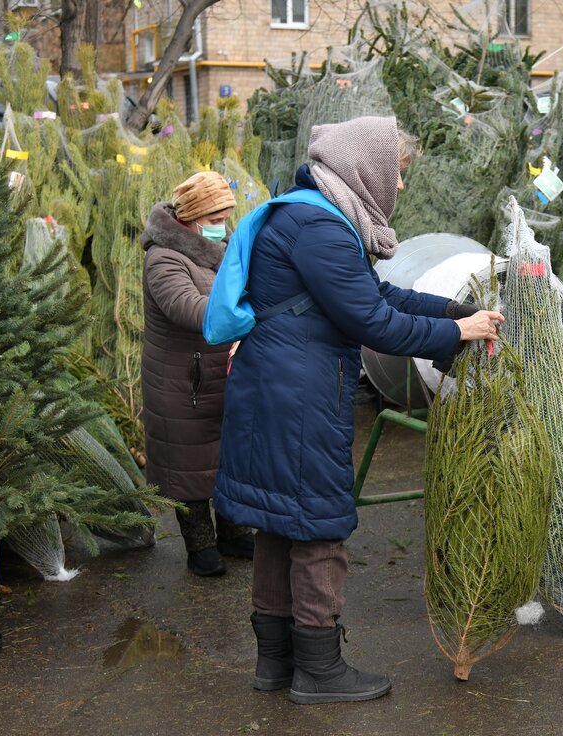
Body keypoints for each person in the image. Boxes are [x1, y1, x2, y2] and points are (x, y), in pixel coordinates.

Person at [213, 116, 504, 704]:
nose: (398, 185)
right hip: (299, 397)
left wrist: (451, 310)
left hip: (274, 387)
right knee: (319, 524)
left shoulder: (311, 213)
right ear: (366, 169)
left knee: (278, 522)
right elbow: (372, 322)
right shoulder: (320, 227)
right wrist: (457, 335)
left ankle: (277, 663)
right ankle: (320, 669)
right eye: (395, 173)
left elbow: (378, 294)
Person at [141, 171, 255, 578]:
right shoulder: (163, 258)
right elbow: (189, 308)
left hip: (218, 375)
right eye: (216, 216)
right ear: (193, 217)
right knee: (187, 466)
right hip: (181, 383)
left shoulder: (222, 248)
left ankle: (234, 532)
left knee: (225, 458)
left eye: (226, 216)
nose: (222, 225)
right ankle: (200, 546)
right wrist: (252, 318)